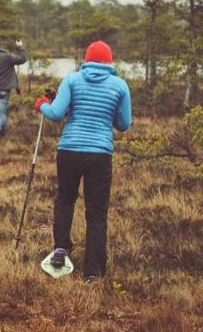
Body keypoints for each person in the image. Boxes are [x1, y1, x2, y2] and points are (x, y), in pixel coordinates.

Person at [34, 40, 132, 283]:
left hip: (69, 151)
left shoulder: (72, 79)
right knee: (97, 212)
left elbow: (57, 113)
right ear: (109, 61)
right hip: (99, 154)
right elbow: (123, 124)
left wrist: (42, 105)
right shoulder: (120, 85)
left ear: (86, 59)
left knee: (66, 199)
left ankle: (61, 249)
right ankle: (93, 271)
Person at [0, 40, 27, 137]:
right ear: (0, 46)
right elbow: (22, 59)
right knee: (1, 111)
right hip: (3, 90)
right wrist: (20, 47)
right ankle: (0, 133)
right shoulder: (7, 56)